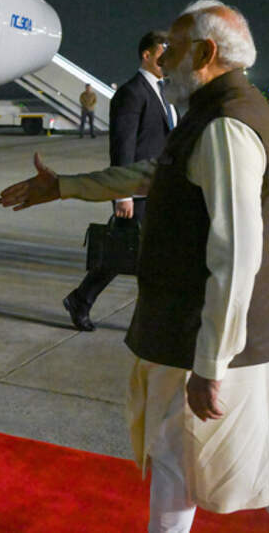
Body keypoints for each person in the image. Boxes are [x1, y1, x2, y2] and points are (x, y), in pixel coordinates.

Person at [0, 0, 269, 532]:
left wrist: (210, 364)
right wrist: (65, 186)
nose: (163, 59)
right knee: (230, 473)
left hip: (207, 345)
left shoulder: (225, 126)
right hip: (211, 341)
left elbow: (238, 255)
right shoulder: (217, 114)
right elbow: (157, 172)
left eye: (173, 49)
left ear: (206, 53)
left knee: (216, 472)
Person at [63, 31, 177, 331]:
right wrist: (122, 194)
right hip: (136, 191)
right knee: (130, 252)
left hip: (160, 187)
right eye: (163, 52)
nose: (169, 58)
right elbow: (122, 146)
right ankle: (85, 301)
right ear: (146, 55)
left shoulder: (165, 92)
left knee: (136, 253)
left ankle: (81, 299)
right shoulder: (132, 92)